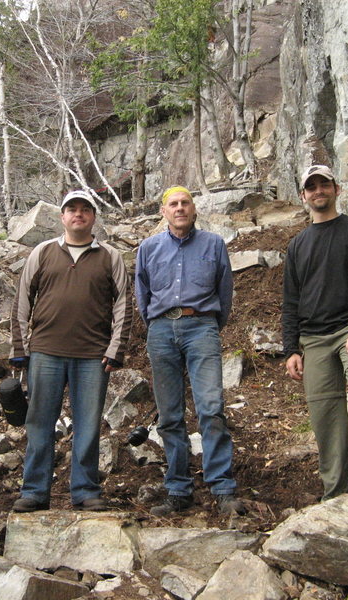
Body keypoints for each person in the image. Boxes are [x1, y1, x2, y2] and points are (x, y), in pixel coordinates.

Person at [9, 190, 132, 512]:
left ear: (93, 216)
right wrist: (20, 347)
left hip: (92, 355)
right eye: (72, 209)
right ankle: (34, 491)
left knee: (88, 425)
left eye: (85, 209)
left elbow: (123, 305)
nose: (78, 214)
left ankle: (86, 490)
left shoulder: (110, 256)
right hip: (45, 353)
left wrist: (116, 348)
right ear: (62, 217)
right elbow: (22, 300)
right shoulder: (43, 252)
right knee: (39, 423)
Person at [282, 164, 348, 502]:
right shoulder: (297, 245)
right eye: (311, 187)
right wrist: (291, 350)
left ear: (337, 189)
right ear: (303, 196)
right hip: (313, 340)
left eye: (324, 184)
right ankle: (336, 490)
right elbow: (291, 302)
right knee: (324, 411)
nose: (318, 191)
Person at [135, 186, 246, 516]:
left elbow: (225, 293)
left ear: (194, 210)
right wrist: (156, 325)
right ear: (163, 212)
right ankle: (178, 489)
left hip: (202, 328)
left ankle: (222, 487)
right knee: (169, 414)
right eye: (173, 204)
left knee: (211, 407)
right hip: (160, 331)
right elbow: (142, 294)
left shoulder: (213, 244)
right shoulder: (148, 248)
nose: (180, 208)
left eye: (185, 203)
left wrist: (209, 324)